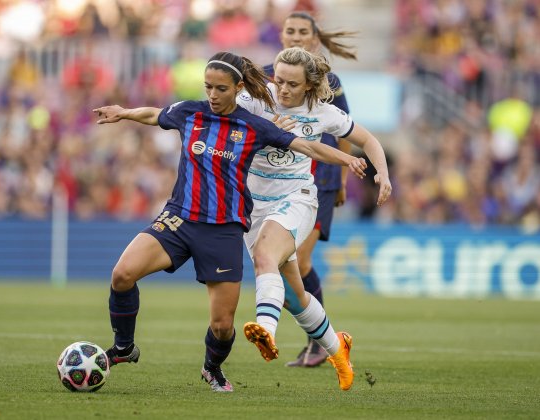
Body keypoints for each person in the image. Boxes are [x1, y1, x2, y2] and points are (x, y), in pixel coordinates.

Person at [93, 51, 367, 393]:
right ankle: (124, 347)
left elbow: (308, 148)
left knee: (223, 326)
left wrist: (347, 160)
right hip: (179, 218)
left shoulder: (255, 126)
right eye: (208, 87)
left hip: (224, 230)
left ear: (238, 89)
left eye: (220, 88)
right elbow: (155, 114)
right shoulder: (189, 112)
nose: (212, 95)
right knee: (122, 274)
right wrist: (124, 113)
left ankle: (213, 368)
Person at [237, 47, 392, 391]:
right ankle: (339, 350)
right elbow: (213, 115)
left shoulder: (322, 113)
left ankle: (266, 330)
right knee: (294, 296)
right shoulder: (255, 100)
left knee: (265, 258)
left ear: (309, 85)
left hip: (298, 199)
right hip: (254, 206)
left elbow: (367, 139)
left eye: (293, 83)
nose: (283, 89)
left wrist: (382, 172)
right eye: (279, 80)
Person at [263, 11, 360, 368]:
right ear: (282, 35)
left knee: (299, 262)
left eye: (304, 32)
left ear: (314, 39)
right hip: (276, 181)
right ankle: (322, 339)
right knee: (285, 265)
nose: (296, 36)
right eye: (290, 31)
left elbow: (346, 131)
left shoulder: (328, 80)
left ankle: (320, 343)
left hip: (318, 178)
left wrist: (343, 179)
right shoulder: (266, 75)